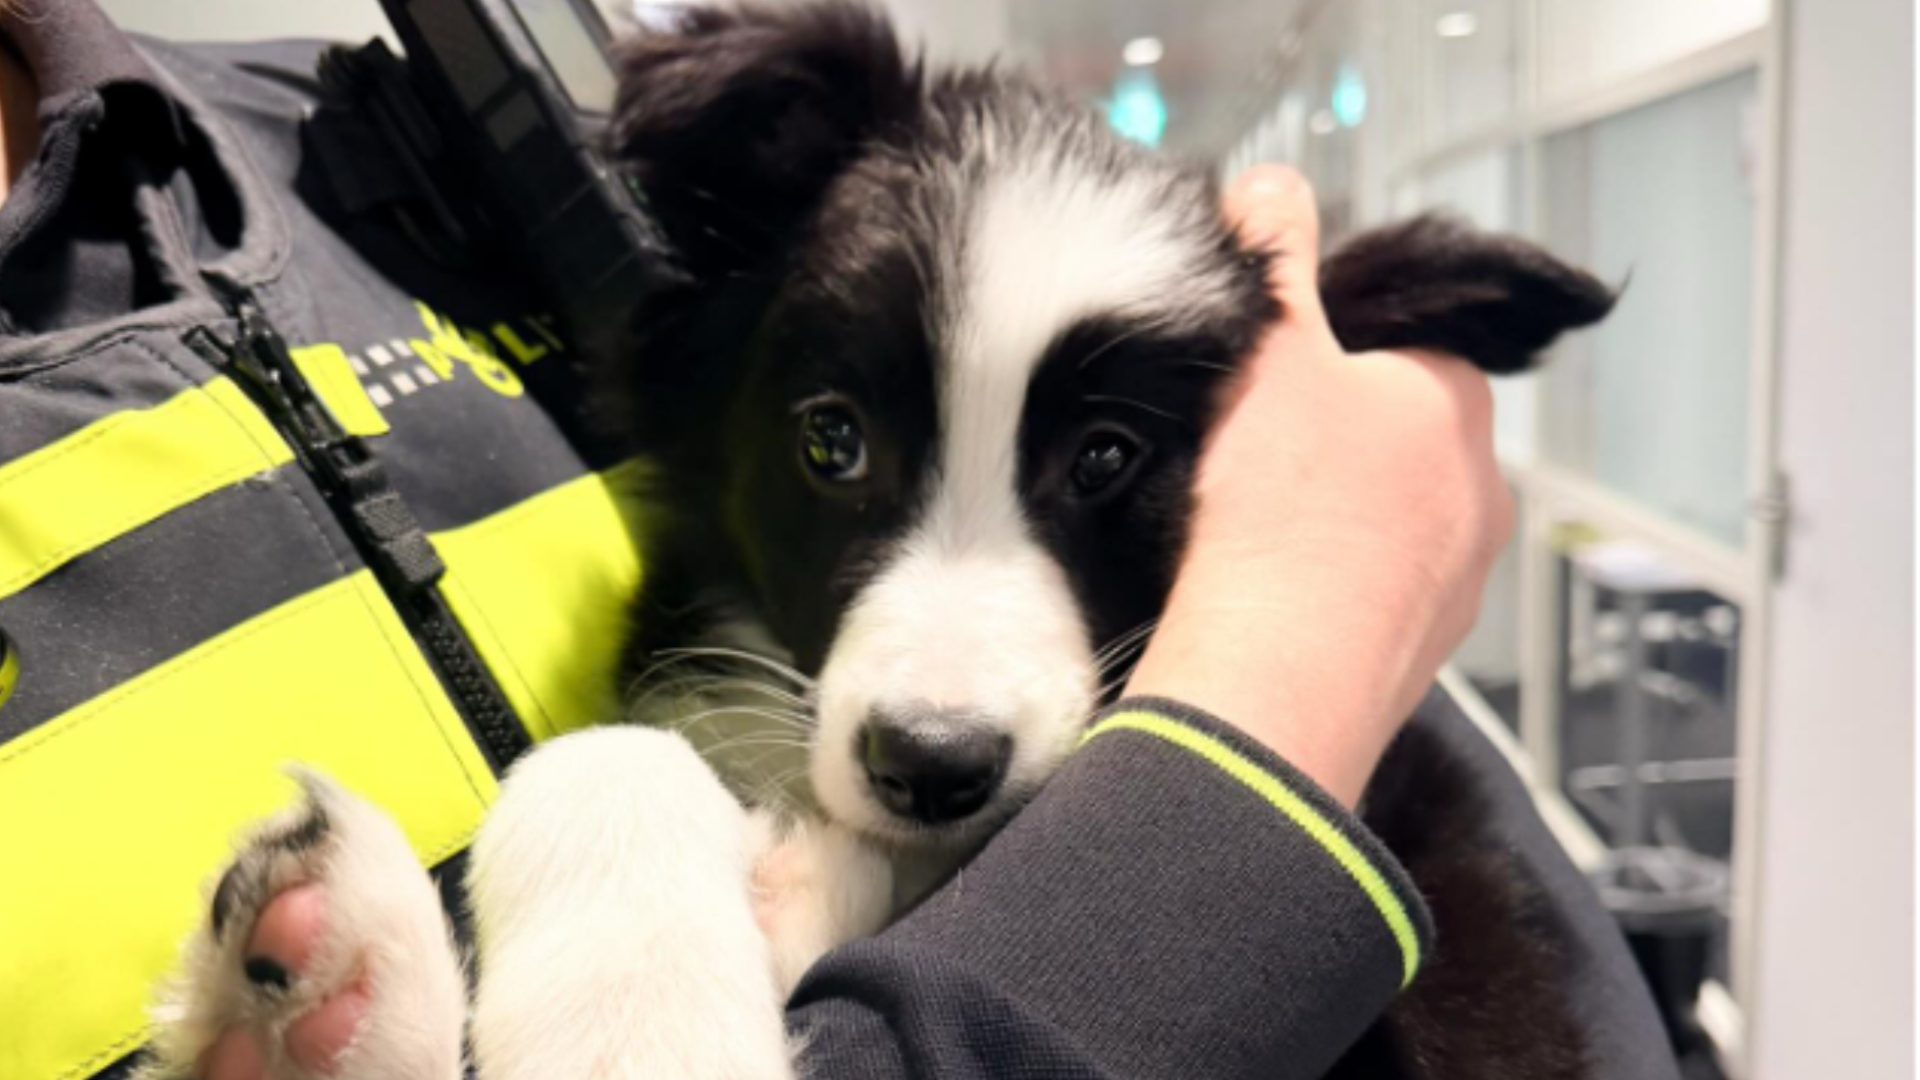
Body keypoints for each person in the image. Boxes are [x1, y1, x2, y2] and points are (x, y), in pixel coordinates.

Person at [0, 5, 1677, 1080]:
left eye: (1104, 459)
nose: (939, 681)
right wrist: (1298, 661)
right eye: (840, 443)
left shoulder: (377, 135)